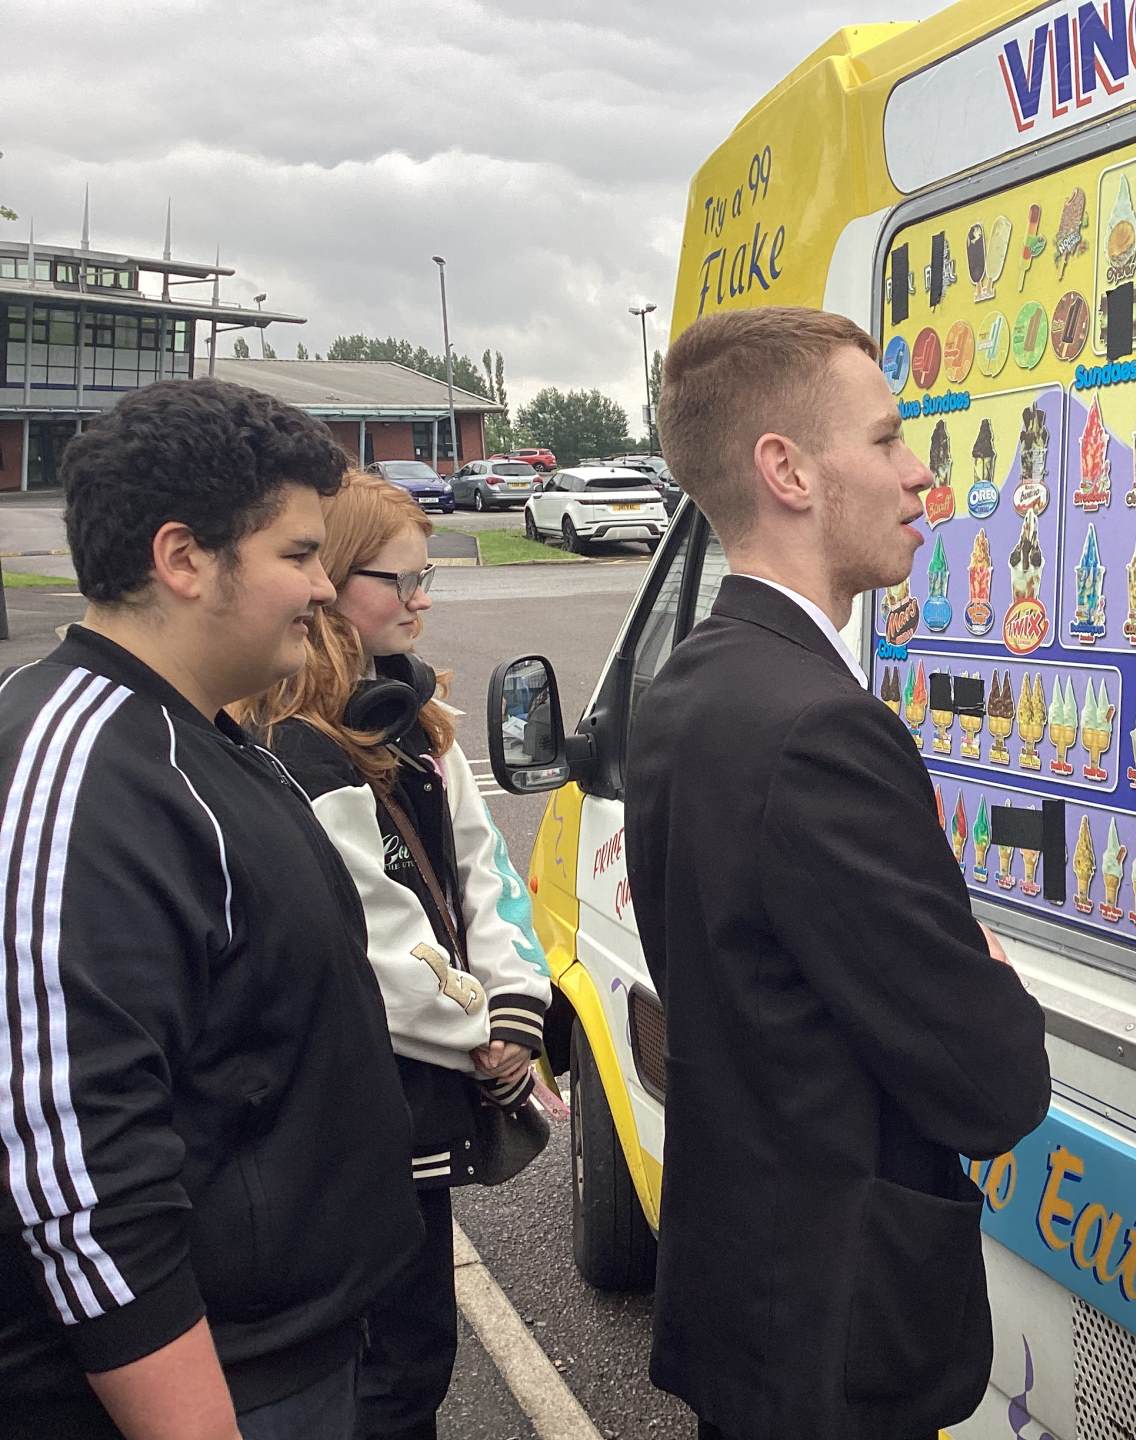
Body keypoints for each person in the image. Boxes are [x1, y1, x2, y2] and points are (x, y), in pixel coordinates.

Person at [629, 306, 1052, 1440]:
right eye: (886, 438)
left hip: (753, 1307)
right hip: (835, 1338)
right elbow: (994, 1088)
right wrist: (985, 964)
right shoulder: (821, 729)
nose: (920, 475)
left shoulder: (689, 684)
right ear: (789, 471)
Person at [0, 379, 421, 1439]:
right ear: (183, 558)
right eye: (299, 554)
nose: (323, 588)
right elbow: (77, 1171)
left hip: (298, 1353)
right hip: (223, 1388)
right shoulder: (82, 772)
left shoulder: (194, 734)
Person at [235, 472, 552, 1440]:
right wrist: (482, 1038)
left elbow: (486, 871)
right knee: (389, 1371)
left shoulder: (416, 718)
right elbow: (375, 941)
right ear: (331, 580)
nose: (421, 601)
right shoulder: (297, 747)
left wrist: (514, 1006)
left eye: (428, 580)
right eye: (401, 581)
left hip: (429, 1097)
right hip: (364, 1115)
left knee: (417, 1357)